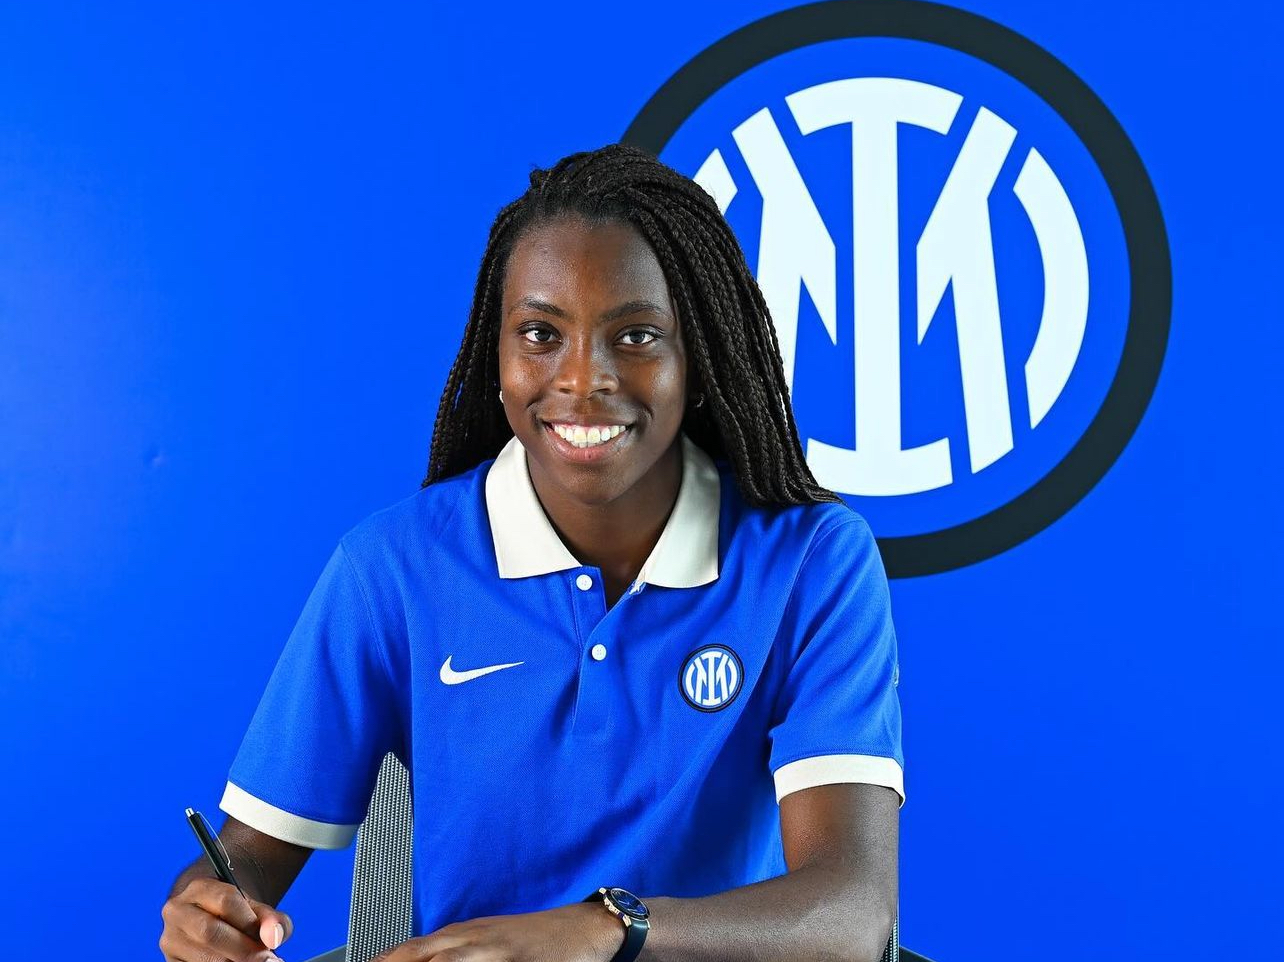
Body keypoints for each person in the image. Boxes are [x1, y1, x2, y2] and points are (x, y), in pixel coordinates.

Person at [159, 144, 904, 962]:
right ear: (498, 355)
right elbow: (250, 856)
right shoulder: (393, 568)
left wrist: (603, 930)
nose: (583, 379)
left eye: (637, 336)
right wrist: (212, 909)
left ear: (700, 361)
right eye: (542, 334)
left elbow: (849, 913)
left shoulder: (811, 562)